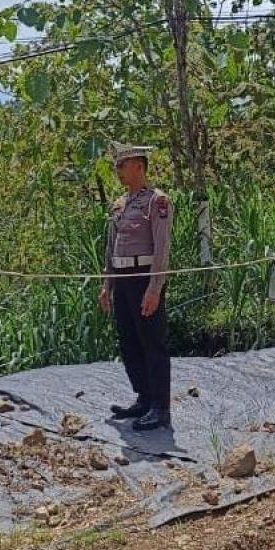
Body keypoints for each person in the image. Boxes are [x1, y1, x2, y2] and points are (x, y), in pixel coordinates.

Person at [100, 143, 173, 430]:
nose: (118, 171)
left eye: (122, 165)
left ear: (138, 166)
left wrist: (155, 287)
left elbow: (162, 246)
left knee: (152, 341)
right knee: (129, 341)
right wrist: (108, 284)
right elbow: (111, 247)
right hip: (123, 277)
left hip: (145, 275)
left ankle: (160, 407)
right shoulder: (120, 204)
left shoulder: (158, 201)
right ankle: (143, 398)